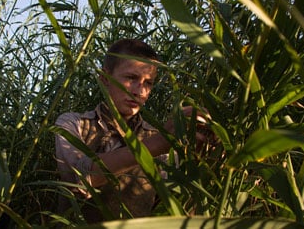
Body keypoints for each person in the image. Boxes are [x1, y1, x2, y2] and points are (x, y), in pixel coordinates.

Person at [55, 38, 210, 223]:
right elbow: (79, 176)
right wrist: (161, 142)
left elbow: (170, 202)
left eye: (148, 83)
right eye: (131, 78)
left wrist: (203, 156)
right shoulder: (73, 124)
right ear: (105, 78)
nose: (140, 92)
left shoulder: (157, 138)